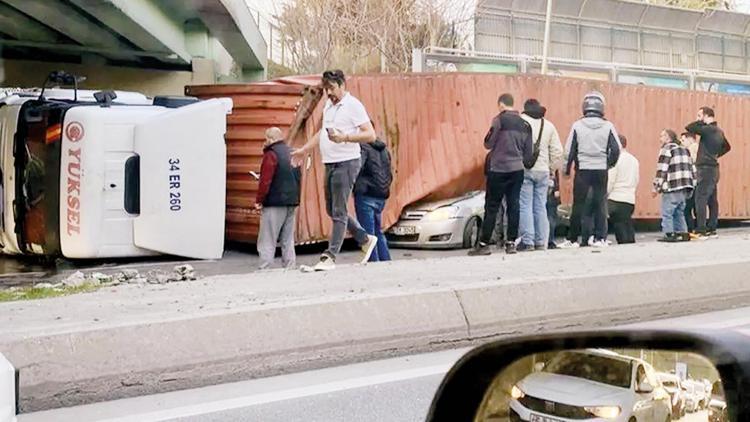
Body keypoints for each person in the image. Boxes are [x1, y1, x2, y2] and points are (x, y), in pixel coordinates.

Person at [292, 70, 378, 271]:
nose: (328, 93)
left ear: (341, 85)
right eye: (326, 89)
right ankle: (364, 239)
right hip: (330, 162)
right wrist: (305, 149)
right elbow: (322, 132)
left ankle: (329, 256)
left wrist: (345, 138)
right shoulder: (328, 106)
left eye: (331, 88)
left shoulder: (353, 106)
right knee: (332, 209)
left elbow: (370, 135)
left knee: (339, 211)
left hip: (347, 162)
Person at [469, 93, 533, 256]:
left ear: (501, 105)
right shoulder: (526, 125)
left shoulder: (499, 120)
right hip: (517, 170)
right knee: (514, 206)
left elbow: (488, 143)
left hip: (498, 170)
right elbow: (528, 154)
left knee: (492, 207)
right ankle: (511, 243)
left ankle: (483, 245)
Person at [559, 91, 621, 249]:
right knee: (600, 203)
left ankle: (573, 239)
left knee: (578, 205)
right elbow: (616, 149)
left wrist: (566, 170)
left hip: (583, 170)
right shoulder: (608, 126)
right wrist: (609, 163)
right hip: (601, 169)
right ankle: (600, 238)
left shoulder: (577, 126)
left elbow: (569, 151)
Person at [518, 99, 563, 251]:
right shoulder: (548, 125)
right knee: (540, 206)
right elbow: (558, 152)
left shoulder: (521, 122)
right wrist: (550, 168)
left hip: (525, 169)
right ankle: (541, 242)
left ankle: (527, 241)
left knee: (525, 205)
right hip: (543, 171)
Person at [255, 127, 302, 270]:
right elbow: (298, 177)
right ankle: (290, 267)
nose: (265, 142)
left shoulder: (271, 154)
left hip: (275, 202)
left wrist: (259, 200)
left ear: (270, 138)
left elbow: (265, 181)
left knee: (268, 238)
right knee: (288, 238)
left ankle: (265, 268)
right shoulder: (292, 152)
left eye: (266, 139)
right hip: (291, 201)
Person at [685, 106, 731, 239]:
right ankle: (712, 227)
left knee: (700, 198)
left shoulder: (708, 129)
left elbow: (689, 127)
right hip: (714, 168)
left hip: (704, 168)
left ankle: (701, 229)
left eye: (699, 115)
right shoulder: (719, 131)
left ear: (706, 115)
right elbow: (727, 147)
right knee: (712, 199)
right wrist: (715, 155)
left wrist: (699, 120)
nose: (698, 117)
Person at [354, 124, 393, 262]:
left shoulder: (363, 147)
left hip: (366, 194)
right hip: (381, 195)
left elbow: (356, 168)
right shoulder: (383, 149)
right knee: (378, 231)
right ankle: (386, 262)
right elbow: (389, 173)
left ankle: (373, 265)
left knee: (368, 235)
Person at [652, 129, 696, 243]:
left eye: (662, 136)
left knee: (667, 212)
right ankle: (683, 233)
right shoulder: (685, 150)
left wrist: (656, 187)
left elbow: (662, 169)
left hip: (672, 186)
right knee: (679, 212)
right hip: (685, 187)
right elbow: (693, 169)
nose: (660, 138)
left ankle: (669, 234)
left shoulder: (666, 149)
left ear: (668, 138)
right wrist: (693, 185)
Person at [607, 134, 639, 244]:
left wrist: (605, 194)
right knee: (628, 225)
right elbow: (636, 179)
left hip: (616, 198)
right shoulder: (634, 159)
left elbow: (611, 180)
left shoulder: (615, 159)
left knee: (619, 228)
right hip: (630, 198)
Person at [681, 132, 698, 233]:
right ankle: (697, 228)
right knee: (694, 207)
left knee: (687, 208)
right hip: (697, 182)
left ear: (690, 139)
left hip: (693, 182)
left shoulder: (692, 149)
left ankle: (689, 229)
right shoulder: (698, 148)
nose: (682, 143)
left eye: (683, 140)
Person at [547, 169, 561, 249]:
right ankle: (550, 240)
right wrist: (557, 188)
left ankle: (542, 239)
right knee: (551, 215)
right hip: (551, 181)